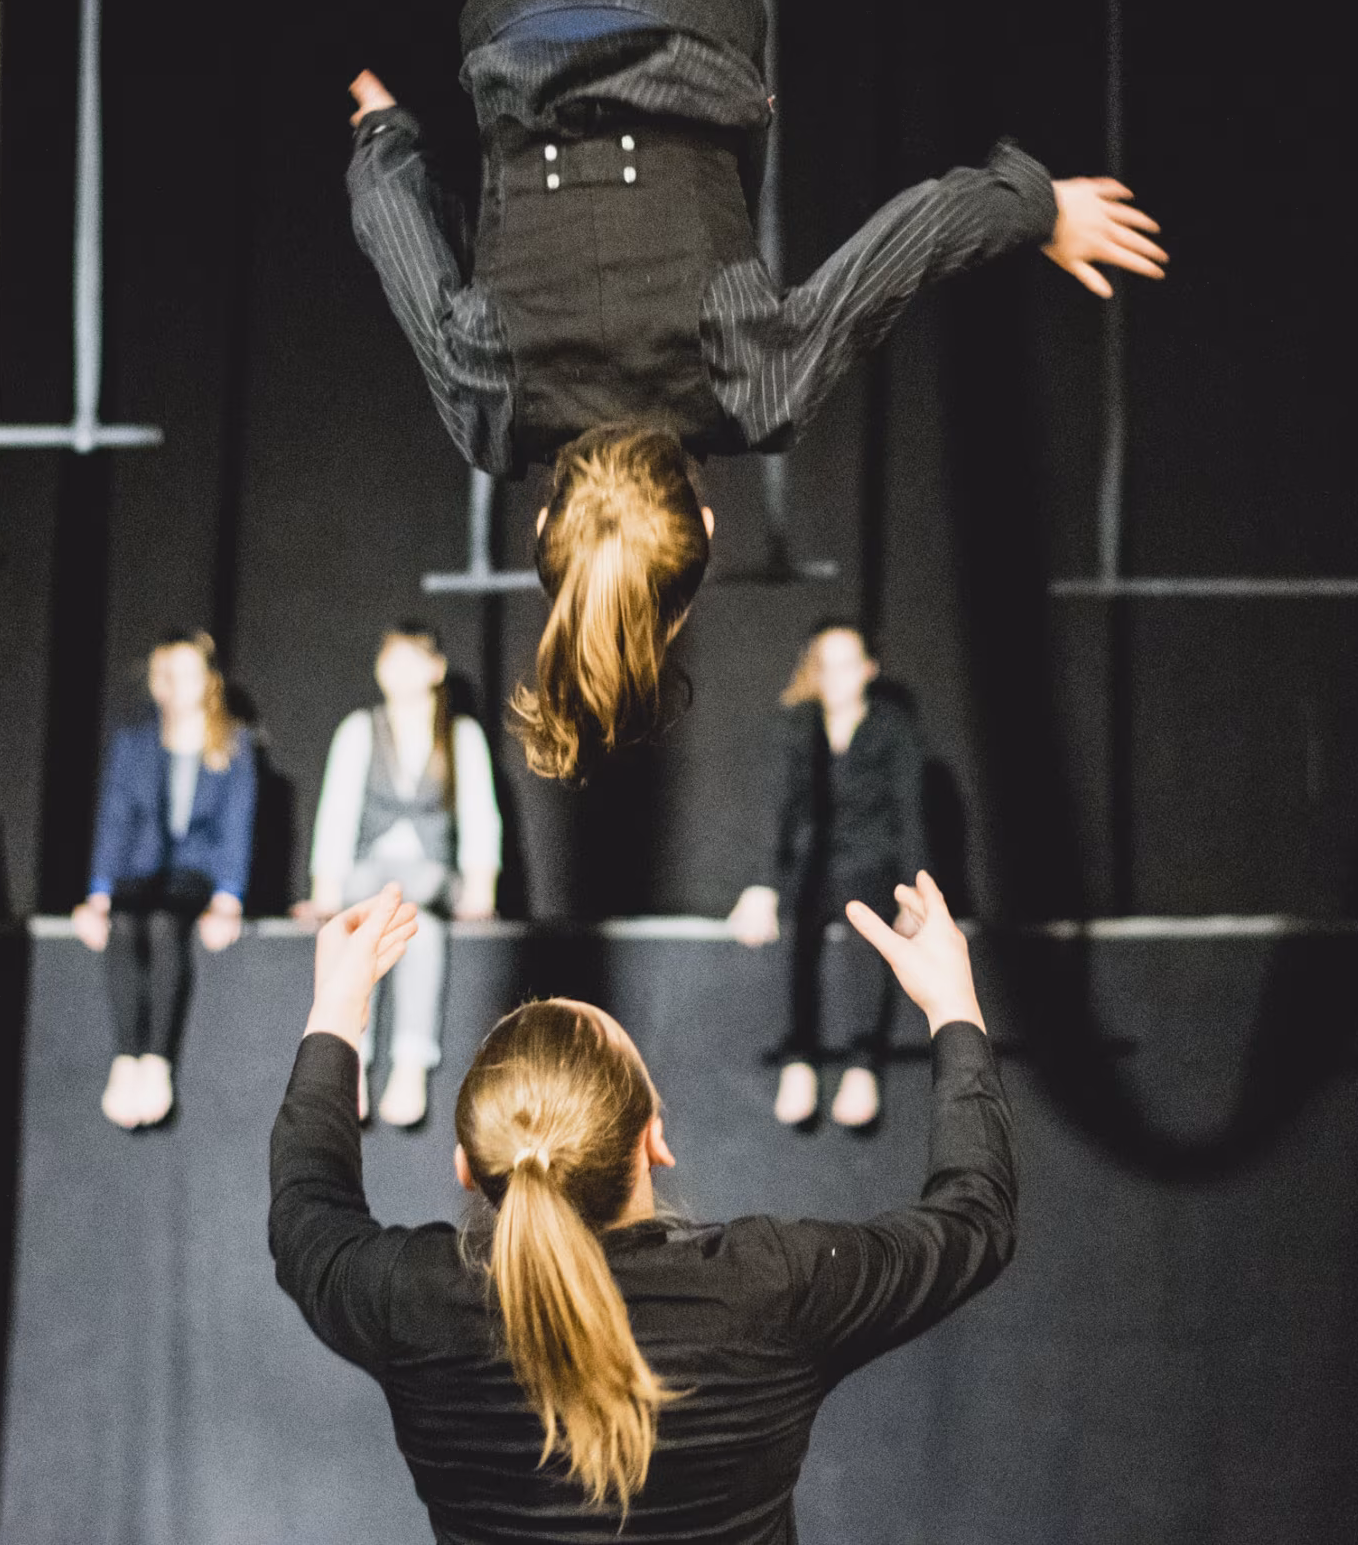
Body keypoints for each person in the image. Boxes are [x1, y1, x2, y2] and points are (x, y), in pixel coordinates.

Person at [345, 0, 1166, 781]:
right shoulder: (485, 412)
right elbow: (389, 222)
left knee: (716, 119)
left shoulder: (755, 392)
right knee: (609, 99)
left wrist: (1039, 209)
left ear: (705, 520)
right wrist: (383, 134)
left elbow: (908, 239)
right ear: (548, 517)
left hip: (699, 20)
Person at [269, 869, 1013, 1542]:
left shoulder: (410, 1303)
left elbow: (307, 1207)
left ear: (467, 1166)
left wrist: (338, 1011)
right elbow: (974, 1215)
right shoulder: (771, 1288)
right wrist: (952, 1005)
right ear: (653, 1137)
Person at [299, 623, 502, 1129]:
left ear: (435, 669)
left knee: (421, 919)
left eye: (412, 660)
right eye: (391, 659)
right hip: (370, 879)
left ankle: (410, 1065)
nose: (399, 670)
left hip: (430, 879)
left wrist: (481, 888)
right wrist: (324, 891)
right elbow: (337, 811)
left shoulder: (460, 734)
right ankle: (354, 1062)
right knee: (396, 928)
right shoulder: (360, 729)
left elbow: (481, 814)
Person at [727, 622, 925, 1130]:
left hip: (867, 859)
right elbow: (774, 808)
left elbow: (910, 814)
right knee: (790, 929)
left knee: (866, 926)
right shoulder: (797, 726)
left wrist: (915, 891)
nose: (835, 676)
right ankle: (798, 1058)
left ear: (868, 670)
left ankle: (863, 1062)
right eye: (825, 663)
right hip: (808, 860)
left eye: (846, 663)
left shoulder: (892, 727)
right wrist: (760, 885)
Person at [71, 628, 259, 1130]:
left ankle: (156, 1060)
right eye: (164, 675)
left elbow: (236, 828)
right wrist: (98, 894)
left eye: (184, 674)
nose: (173, 685)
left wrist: (228, 898)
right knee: (126, 924)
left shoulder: (233, 743)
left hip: (192, 874)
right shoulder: (133, 744)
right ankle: (125, 1058)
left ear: (208, 682)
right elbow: (114, 821)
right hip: (141, 872)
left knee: (161, 925)